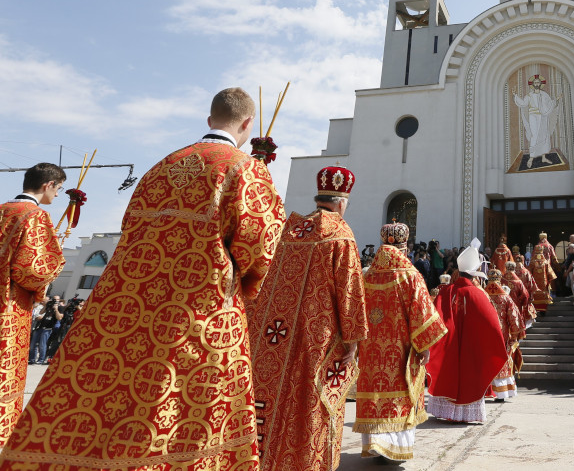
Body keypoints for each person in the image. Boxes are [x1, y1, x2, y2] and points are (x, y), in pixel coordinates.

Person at [0, 87, 285, 470]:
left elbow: (128, 227)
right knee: (181, 412)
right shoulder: (244, 168)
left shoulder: (162, 165)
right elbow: (260, 245)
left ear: (209, 120)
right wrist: (245, 283)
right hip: (196, 312)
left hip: (127, 313)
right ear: (248, 124)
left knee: (117, 406)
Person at [246, 165, 367, 471]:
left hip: (269, 337)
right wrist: (353, 340)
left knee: (269, 404)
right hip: (314, 341)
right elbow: (350, 290)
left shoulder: (288, 229)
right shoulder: (340, 233)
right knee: (310, 406)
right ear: (342, 202)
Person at [353, 222, 447, 461]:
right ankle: (393, 447)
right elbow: (422, 316)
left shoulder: (367, 275)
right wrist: (424, 346)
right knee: (398, 395)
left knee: (375, 392)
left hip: (370, 353)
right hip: (399, 353)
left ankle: (374, 442)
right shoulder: (410, 276)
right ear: (405, 248)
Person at [0, 163, 66, 447]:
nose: (58, 195)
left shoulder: (2, 209)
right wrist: (55, 259)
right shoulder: (35, 215)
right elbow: (32, 270)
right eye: (58, 189)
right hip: (10, 305)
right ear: (48, 185)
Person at [425, 244, 507, 423]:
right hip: (471, 349)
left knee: (450, 372)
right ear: (474, 273)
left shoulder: (445, 293)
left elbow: (435, 320)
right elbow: (493, 325)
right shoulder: (478, 294)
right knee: (469, 376)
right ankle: (466, 413)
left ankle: (447, 412)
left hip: (449, 349)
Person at [484, 268, 526, 401]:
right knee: (502, 360)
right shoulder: (505, 297)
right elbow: (514, 318)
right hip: (502, 334)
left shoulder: (482, 296)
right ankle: (502, 394)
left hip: (485, 333)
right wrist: (514, 336)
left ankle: (484, 391)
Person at [502, 260, 536, 329]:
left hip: (504, 305)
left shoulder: (501, 280)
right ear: (514, 269)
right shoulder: (518, 282)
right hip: (516, 305)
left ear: (506, 268)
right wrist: (521, 302)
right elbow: (525, 295)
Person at [528, 248, 557, 314]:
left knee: (535, 295)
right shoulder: (545, 262)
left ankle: (534, 311)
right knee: (543, 295)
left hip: (534, 283)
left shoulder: (532, 262)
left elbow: (529, 273)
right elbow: (550, 273)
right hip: (544, 283)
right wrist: (549, 280)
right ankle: (543, 311)